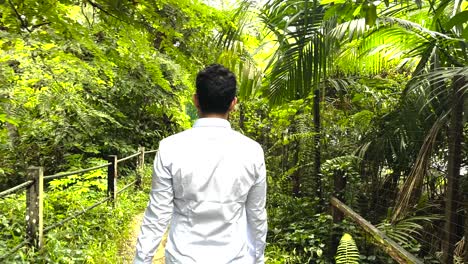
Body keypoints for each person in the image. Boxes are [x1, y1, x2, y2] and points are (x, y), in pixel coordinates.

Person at [134, 64, 267, 264]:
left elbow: (157, 215)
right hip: (235, 258)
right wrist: (258, 258)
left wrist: (141, 260)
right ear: (233, 103)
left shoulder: (169, 148)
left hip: (182, 258)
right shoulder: (252, 151)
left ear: (196, 100)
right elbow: (256, 215)